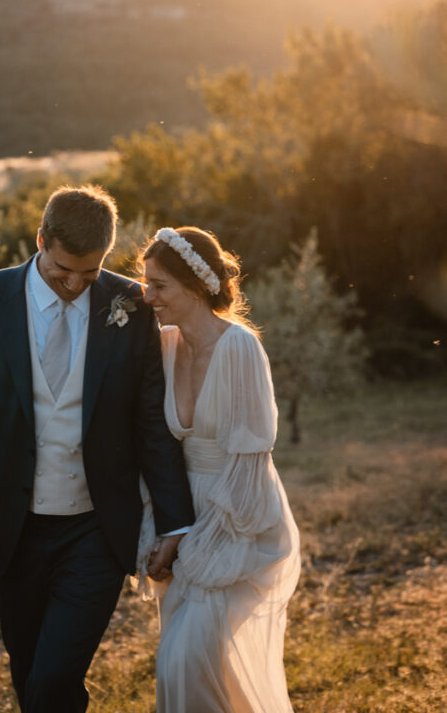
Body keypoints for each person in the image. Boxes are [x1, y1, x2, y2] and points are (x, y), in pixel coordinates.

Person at [0, 185, 195, 713]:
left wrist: (175, 522)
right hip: (13, 528)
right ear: (41, 240)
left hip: (96, 529)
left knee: (52, 681)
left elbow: (149, 423)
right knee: (28, 676)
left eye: (89, 274)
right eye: (63, 271)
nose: (75, 285)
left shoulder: (129, 306)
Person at [141, 226, 300, 713]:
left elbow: (249, 462)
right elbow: (154, 444)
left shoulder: (240, 348)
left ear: (194, 286)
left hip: (235, 522)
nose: (149, 296)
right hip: (179, 511)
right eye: (145, 283)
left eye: (160, 286)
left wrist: (197, 541)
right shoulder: (163, 347)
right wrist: (166, 529)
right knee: (205, 670)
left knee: (185, 663)